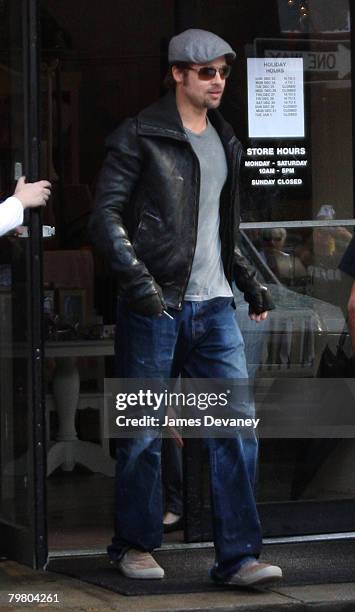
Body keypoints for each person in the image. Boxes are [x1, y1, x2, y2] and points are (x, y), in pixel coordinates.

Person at [90, 29, 282, 587]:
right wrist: (143, 289)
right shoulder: (138, 135)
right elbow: (106, 219)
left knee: (236, 431)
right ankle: (134, 544)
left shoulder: (225, 138)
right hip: (157, 307)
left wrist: (251, 284)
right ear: (177, 74)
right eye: (206, 72)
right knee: (145, 432)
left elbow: (223, 226)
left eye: (223, 71)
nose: (218, 80)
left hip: (216, 306)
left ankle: (239, 558)